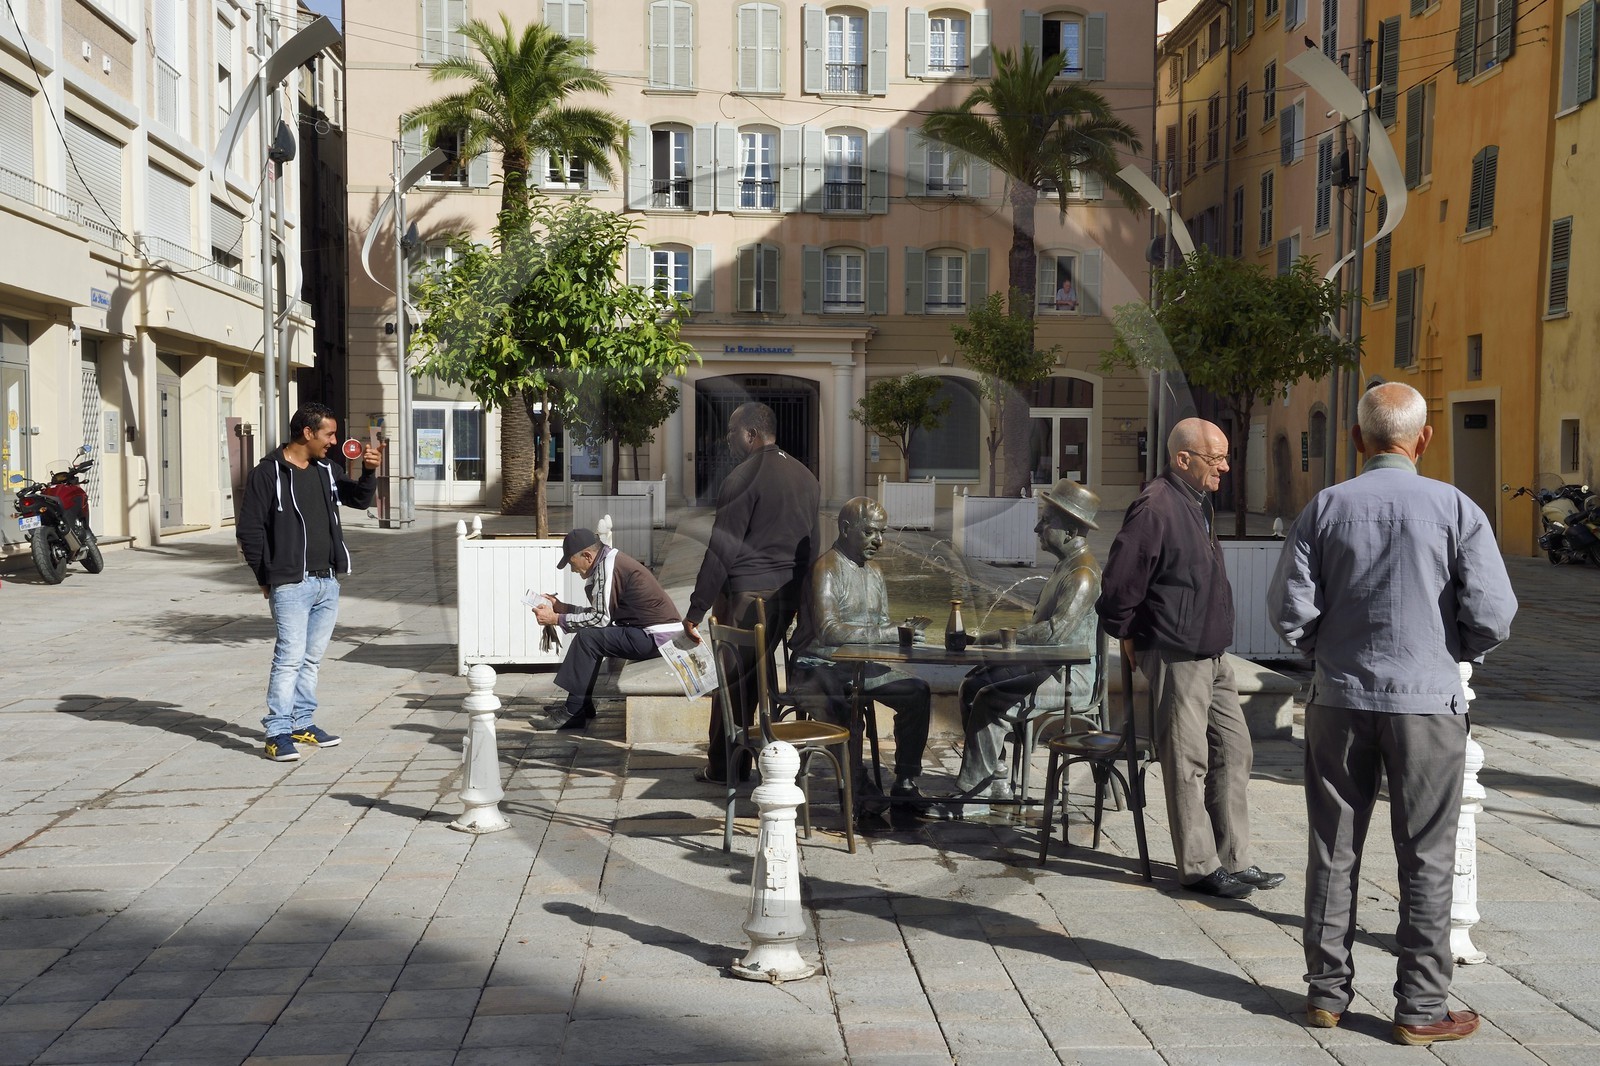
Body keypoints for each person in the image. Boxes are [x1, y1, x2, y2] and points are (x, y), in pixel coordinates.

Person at [1268, 382, 1516, 1046]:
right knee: (1427, 853)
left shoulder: (1326, 506)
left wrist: (1327, 652)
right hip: (1427, 702)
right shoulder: (1456, 508)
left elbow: (1289, 609)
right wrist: (1451, 650)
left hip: (1339, 697)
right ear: (1423, 439)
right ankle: (1420, 1007)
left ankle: (1325, 995)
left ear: (1357, 439)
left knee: (1333, 847)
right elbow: (1494, 614)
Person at [1096, 417, 1284, 898]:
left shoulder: (1196, 500)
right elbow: (1119, 584)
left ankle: (1234, 858)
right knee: (1187, 760)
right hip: (1177, 651)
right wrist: (1127, 631)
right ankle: (1199, 867)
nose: (1225, 467)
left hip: (1211, 651)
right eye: (1215, 458)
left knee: (1235, 750)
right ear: (1183, 459)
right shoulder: (1156, 505)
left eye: (1225, 457)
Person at [683, 402, 821, 785]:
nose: (728, 439)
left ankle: (726, 767)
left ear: (750, 434)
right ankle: (762, 756)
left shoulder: (742, 477)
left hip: (747, 598)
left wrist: (695, 610)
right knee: (756, 678)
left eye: (732, 432)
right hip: (786, 598)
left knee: (732, 684)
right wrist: (806, 606)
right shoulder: (806, 477)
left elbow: (721, 550)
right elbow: (812, 550)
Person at [237, 402, 380, 762]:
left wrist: (368, 473)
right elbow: (250, 530)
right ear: (307, 432)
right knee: (289, 659)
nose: (333, 441)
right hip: (291, 583)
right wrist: (264, 575)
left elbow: (358, 499)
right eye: (328, 434)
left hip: (327, 581)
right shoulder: (267, 473)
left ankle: (302, 723)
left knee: (311, 660)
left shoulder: (327, 470)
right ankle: (276, 733)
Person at [953, 479, 1101, 814]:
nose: (1037, 528)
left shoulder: (1082, 575)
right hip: (1049, 666)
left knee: (990, 699)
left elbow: (1053, 633)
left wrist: (995, 637)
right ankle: (995, 778)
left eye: (1045, 521)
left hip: (1071, 677)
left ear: (1071, 530)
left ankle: (974, 796)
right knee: (973, 683)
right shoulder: (1066, 566)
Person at [789, 497, 932, 806]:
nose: (878, 541)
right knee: (845, 707)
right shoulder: (826, 569)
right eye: (869, 532)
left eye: (881, 533)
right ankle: (856, 784)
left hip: (857, 668)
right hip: (816, 668)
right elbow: (829, 631)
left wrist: (903, 633)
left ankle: (906, 781)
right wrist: (889, 633)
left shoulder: (875, 573)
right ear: (845, 529)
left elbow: (881, 625)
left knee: (917, 692)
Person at [532, 527, 681, 731]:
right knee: (591, 637)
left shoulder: (607, 567)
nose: (573, 570)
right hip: (652, 633)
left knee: (587, 639)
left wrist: (557, 619)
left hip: (655, 637)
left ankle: (572, 712)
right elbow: (602, 615)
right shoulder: (608, 560)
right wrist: (563, 608)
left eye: (572, 563)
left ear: (587, 556)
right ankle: (581, 705)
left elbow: (600, 619)